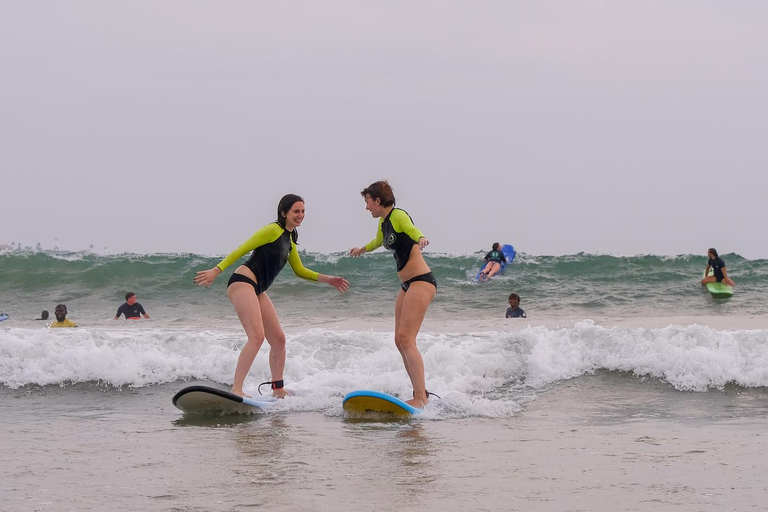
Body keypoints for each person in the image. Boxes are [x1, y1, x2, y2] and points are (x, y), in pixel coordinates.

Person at [194, 194, 349, 398]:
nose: (300, 215)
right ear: (284, 213)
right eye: (296, 211)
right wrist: (217, 270)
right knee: (257, 337)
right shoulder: (272, 230)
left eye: (303, 211)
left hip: (257, 289)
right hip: (242, 282)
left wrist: (329, 279)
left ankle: (278, 389)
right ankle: (237, 389)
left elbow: (300, 270)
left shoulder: (290, 240)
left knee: (279, 340)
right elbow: (242, 249)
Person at [350, 180, 436, 408]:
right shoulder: (383, 223)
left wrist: (421, 238)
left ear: (378, 200)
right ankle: (420, 393)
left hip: (421, 281)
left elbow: (410, 229)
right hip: (407, 284)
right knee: (399, 340)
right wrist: (362, 249)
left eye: (368, 202)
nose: (367, 207)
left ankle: (420, 398)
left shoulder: (398, 215)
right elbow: (379, 241)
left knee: (407, 339)